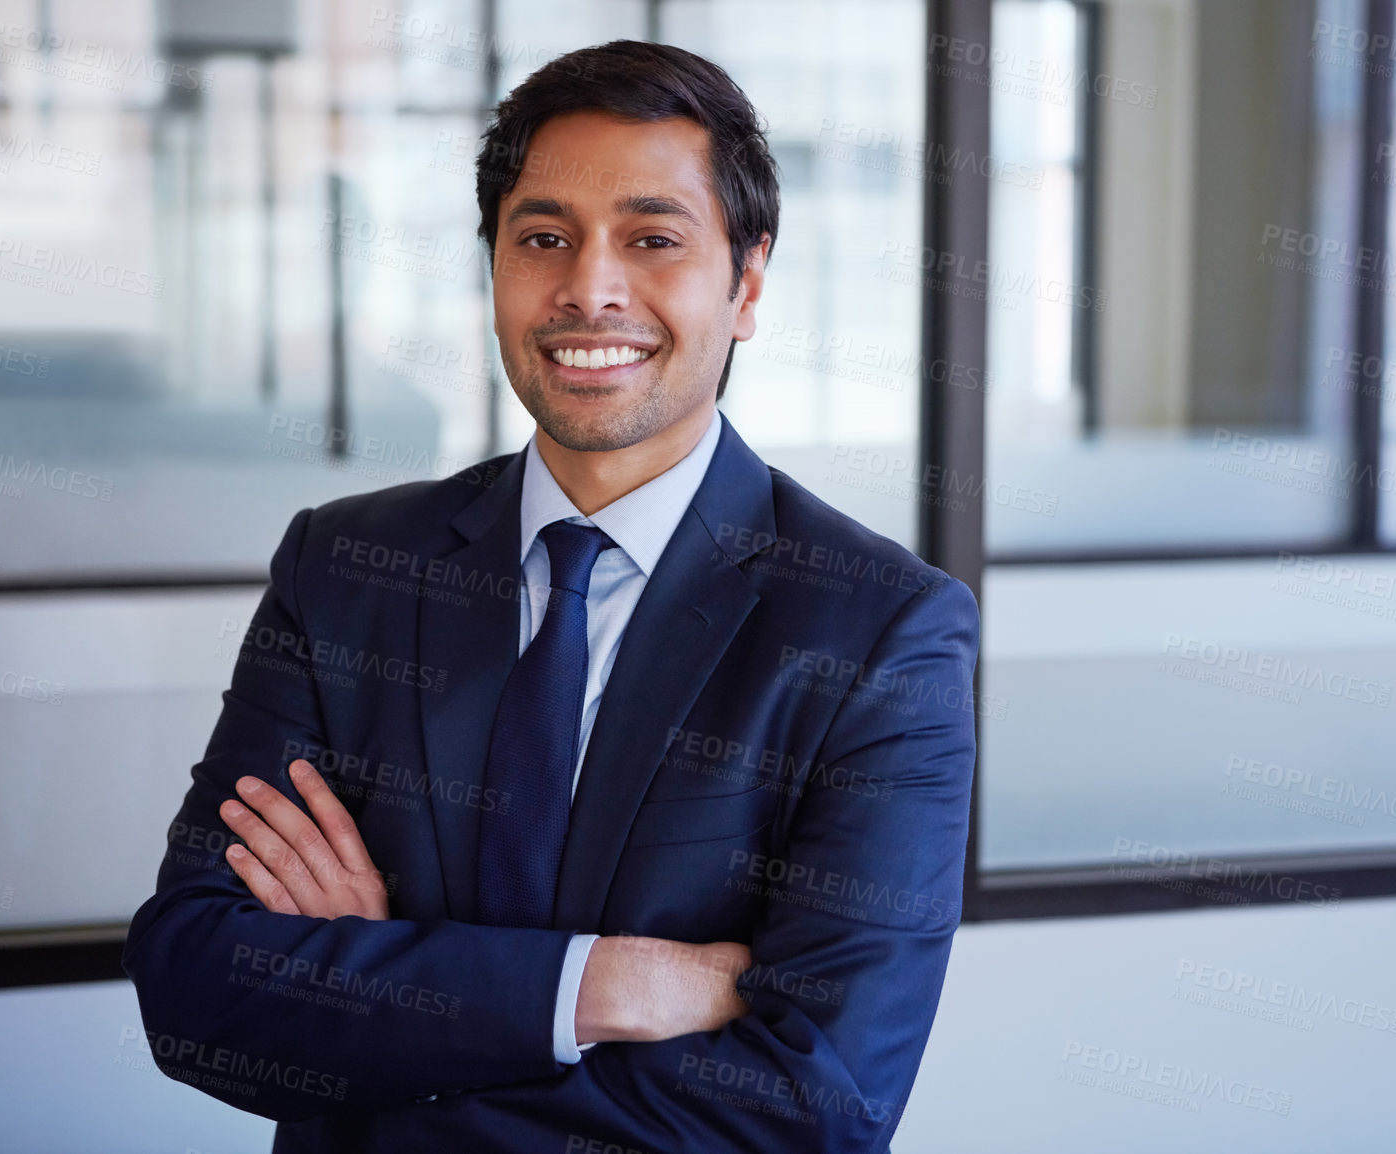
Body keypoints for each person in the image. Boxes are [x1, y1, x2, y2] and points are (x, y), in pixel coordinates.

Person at [124, 39, 977, 1153]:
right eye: (543, 238)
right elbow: (197, 985)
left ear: (748, 282)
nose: (590, 287)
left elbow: (813, 1104)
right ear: (493, 266)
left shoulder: (875, 628)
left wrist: (393, 1017)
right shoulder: (345, 568)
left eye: (653, 238)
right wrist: (602, 984)